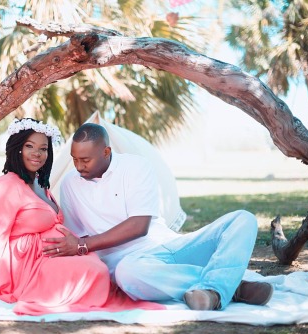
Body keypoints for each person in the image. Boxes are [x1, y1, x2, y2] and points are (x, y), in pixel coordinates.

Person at [43, 123, 273, 311]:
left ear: (106, 152)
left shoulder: (136, 166)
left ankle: (219, 285)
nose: (79, 166)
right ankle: (226, 287)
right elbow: (75, 233)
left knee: (243, 219)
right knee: (129, 275)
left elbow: (139, 226)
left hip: (171, 247)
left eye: (86, 160)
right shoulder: (70, 184)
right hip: (133, 266)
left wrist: (82, 245)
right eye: (74, 159)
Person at [0, 118, 164, 315]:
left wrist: (78, 247)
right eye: (29, 146)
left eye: (43, 148)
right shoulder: (5, 186)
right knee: (95, 272)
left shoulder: (40, 184)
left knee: (98, 270)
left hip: (54, 252)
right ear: (17, 147)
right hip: (29, 263)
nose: (37, 153)